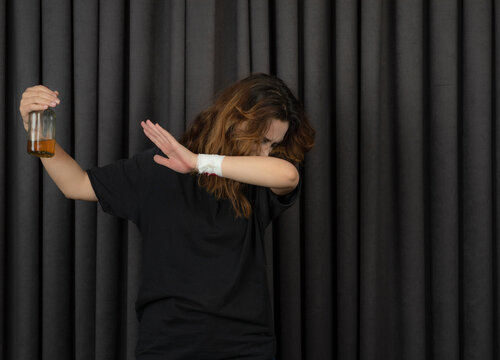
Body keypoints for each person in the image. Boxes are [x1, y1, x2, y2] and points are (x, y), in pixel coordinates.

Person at [19, 73, 315, 360]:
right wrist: (35, 128)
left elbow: (288, 175)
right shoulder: (155, 169)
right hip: (168, 346)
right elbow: (75, 184)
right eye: (262, 141)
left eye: (273, 145)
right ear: (235, 121)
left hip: (245, 347)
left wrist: (198, 162)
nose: (266, 154)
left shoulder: (256, 180)